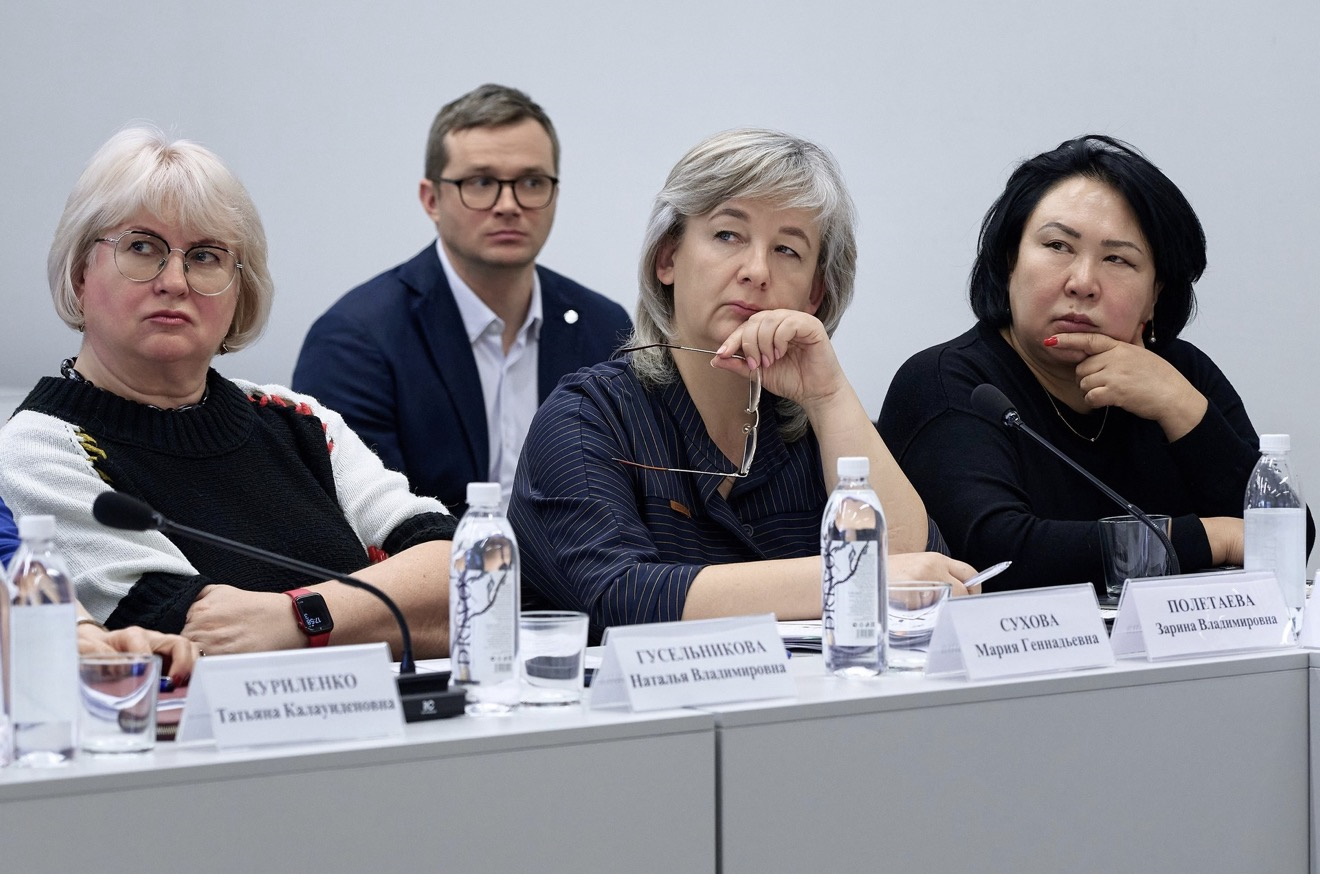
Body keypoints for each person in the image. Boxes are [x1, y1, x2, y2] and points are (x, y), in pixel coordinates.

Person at [0, 126, 456, 658]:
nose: (174, 281)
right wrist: (389, 606)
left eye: (205, 256)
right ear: (81, 274)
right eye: (142, 248)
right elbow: (196, 638)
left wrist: (297, 618)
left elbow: (461, 573)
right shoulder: (40, 451)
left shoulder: (298, 419)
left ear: (241, 291)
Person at [509, 128, 974, 640]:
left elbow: (917, 580)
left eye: (787, 250)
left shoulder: (820, 426)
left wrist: (829, 395)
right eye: (728, 235)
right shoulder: (588, 417)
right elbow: (618, 596)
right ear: (668, 258)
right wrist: (848, 578)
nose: (756, 271)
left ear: (815, 294)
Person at [879, 134, 1314, 594]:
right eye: (1057, 246)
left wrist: (1180, 407)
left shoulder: (1180, 373)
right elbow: (995, 555)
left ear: (1155, 295)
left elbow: (1288, 537)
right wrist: (1215, 538)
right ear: (1009, 262)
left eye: (1117, 259)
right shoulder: (949, 383)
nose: (1083, 282)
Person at [293, 84, 632, 514]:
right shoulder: (356, 340)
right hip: (428, 558)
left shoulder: (603, 327)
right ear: (431, 199)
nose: (508, 205)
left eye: (531, 182)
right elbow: (360, 517)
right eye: (481, 182)